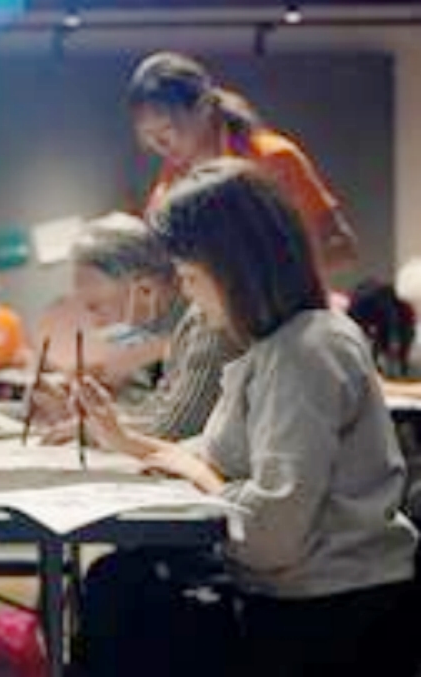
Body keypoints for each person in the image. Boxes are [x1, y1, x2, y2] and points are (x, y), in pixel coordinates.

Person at [74, 158, 417, 676]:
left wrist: (199, 474)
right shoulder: (279, 346)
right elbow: (217, 455)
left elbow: (270, 538)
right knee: (120, 585)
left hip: (328, 611)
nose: (189, 296)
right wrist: (128, 443)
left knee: (124, 601)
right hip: (308, 595)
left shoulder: (305, 352)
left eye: (191, 278)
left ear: (237, 269)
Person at [129, 50, 358, 275]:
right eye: (149, 135)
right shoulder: (171, 179)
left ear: (204, 107)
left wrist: (271, 278)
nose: (160, 144)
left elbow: (340, 247)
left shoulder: (272, 159)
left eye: (167, 129)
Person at [34, 212, 239, 442]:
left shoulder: (205, 321)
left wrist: (92, 430)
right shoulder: (169, 326)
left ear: (145, 288)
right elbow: (158, 410)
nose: (97, 322)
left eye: (96, 306)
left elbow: (175, 428)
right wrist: (88, 416)